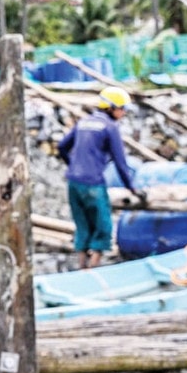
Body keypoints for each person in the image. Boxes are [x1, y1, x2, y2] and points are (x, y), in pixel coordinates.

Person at [56, 86, 143, 269]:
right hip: (93, 183)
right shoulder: (110, 127)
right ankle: (92, 269)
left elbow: (62, 146)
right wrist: (132, 188)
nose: (124, 113)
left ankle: (81, 267)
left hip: (73, 182)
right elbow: (121, 163)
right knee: (103, 227)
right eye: (122, 109)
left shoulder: (84, 122)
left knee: (82, 225)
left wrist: (72, 165)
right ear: (112, 108)